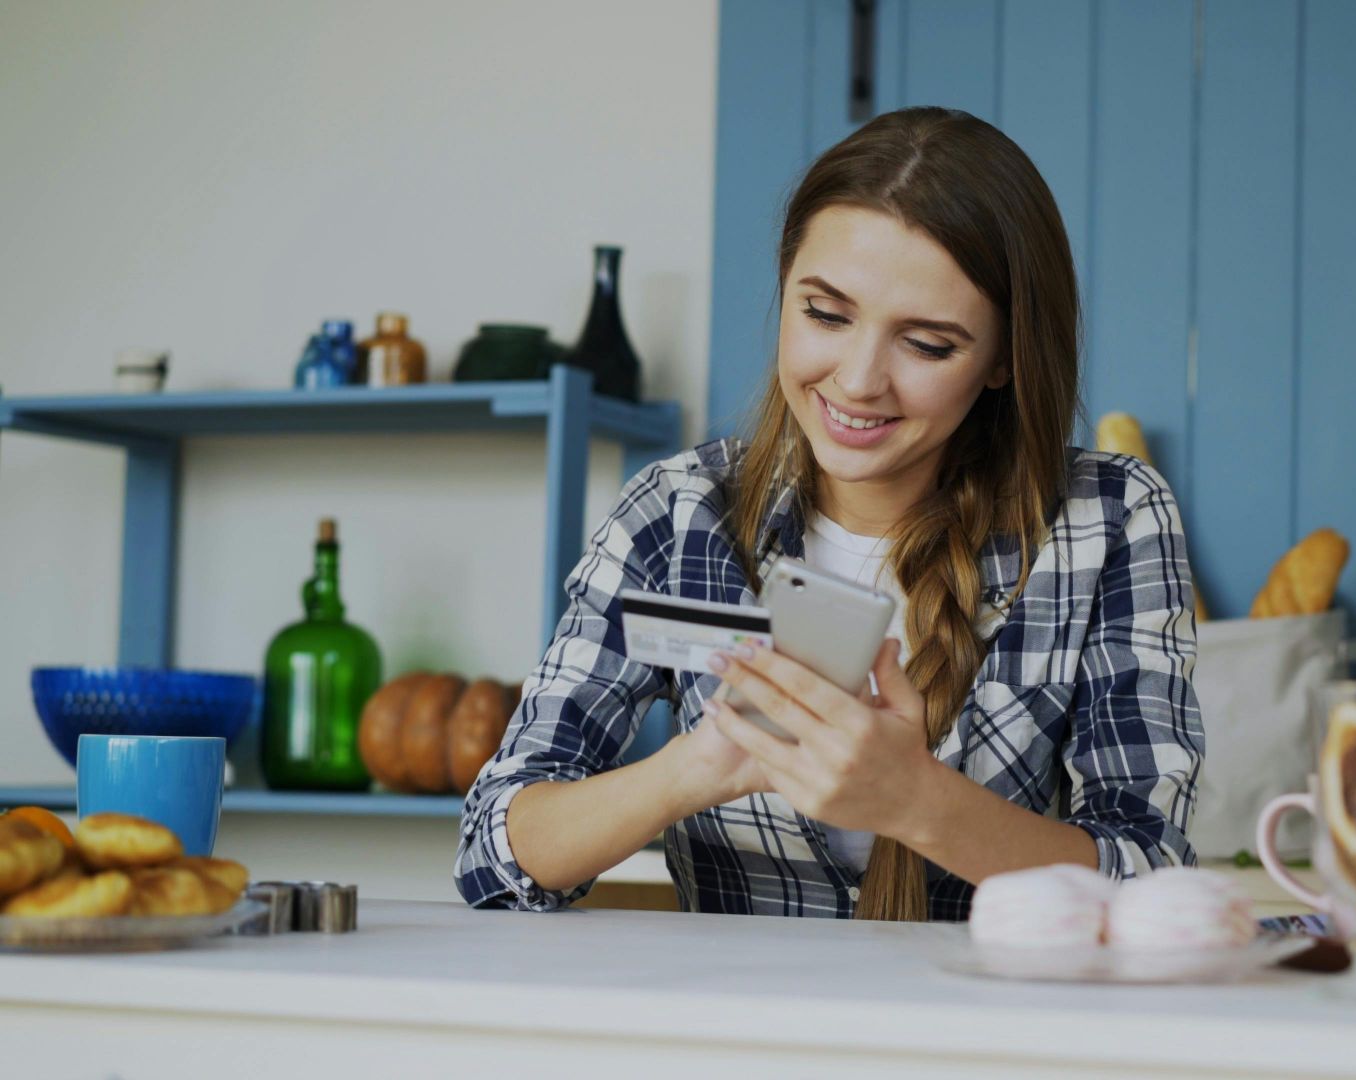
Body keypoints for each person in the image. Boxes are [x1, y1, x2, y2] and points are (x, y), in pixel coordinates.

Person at [455, 106, 1202, 921]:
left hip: (989, 1034)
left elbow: (1150, 877)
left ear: (1002, 361)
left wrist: (918, 803)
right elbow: (494, 856)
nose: (857, 381)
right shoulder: (676, 513)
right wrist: (699, 766)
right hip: (736, 1033)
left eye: (928, 344)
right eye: (826, 314)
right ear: (784, 293)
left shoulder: (1109, 519)